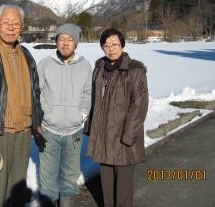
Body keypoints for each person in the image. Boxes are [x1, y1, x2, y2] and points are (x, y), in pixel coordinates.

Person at [0, 4, 44, 207]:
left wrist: (36, 122)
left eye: (15, 23)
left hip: (23, 133)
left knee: (17, 190)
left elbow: (35, 92)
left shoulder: (27, 55)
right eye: (6, 23)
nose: (10, 27)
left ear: (22, 27)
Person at [85, 28, 149, 207]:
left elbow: (140, 106)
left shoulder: (135, 70)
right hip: (104, 139)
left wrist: (128, 136)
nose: (111, 48)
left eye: (115, 44)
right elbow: (95, 101)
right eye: (106, 45)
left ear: (122, 45)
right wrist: (91, 128)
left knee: (123, 191)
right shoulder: (99, 69)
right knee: (107, 189)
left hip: (123, 140)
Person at [38, 23, 92, 207]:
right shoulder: (45, 63)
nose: (65, 43)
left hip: (74, 131)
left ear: (76, 43)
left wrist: (82, 115)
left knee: (69, 177)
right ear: (56, 41)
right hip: (49, 129)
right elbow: (37, 92)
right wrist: (46, 114)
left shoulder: (85, 66)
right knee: (48, 177)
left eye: (70, 39)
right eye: (61, 39)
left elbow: (88, 94)